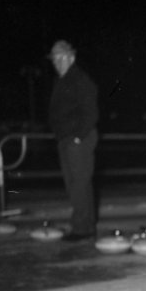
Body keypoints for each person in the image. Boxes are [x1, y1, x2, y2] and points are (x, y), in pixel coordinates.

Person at [48, 39, 99, 242]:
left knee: (79, 183)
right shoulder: (62, 80)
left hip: (79, 138)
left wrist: (78, 137)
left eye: (61, 57)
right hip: (66, 138)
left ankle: (82, 228)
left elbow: (91, 112)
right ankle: (85, 225)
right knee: (74, 184)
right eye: (55, 59)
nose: (58, 62)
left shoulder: (80, 80)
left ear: (72, 57)